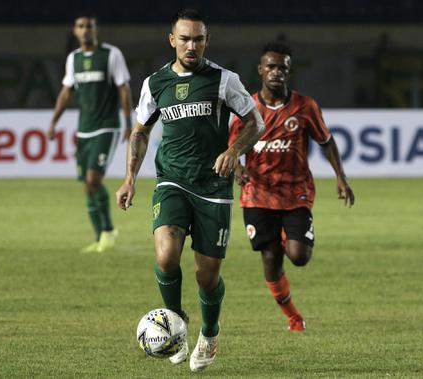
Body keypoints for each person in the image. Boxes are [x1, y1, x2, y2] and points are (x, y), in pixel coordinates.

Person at [116, 9, 264, 372]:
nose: (191, 45)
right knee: (166, 256)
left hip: (213, 188)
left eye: (198, 39)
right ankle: (176, 325)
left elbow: (255, 123)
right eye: (184, 39)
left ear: (206, 40)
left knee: (206, 275)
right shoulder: (155, 83)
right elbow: (140, 133)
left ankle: (210, 335)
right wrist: (130, 178)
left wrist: (233, 151)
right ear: (172, 40)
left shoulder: (223, 80)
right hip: (172, 181)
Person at [229, 42, 354, 331]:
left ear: (289, 71)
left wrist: (341, 177)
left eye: (282, 67)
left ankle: (287, 235)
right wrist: (237, 168)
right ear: (260, 70)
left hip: (295, 193)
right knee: (271, 259)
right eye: (270, 67)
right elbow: (231, 147)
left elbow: (327, 141)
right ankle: (294, 317)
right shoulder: (246, 109)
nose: (276, 72)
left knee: (299, 256)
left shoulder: (304, 106)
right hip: (258, 194)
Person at [48, 14, 133, 253]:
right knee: (87, 185)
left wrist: (127, 121)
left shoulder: (111, 55)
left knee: (93, 180)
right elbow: (66, 92)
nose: (85, 30)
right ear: (75, 31)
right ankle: (101, 236)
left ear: (96, 30)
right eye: (81, 26)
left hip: (107, 126)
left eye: (89, 26)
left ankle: (106, 232)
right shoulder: (73, 59)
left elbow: (123, 88)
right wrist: (54, 121)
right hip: (84, 128)